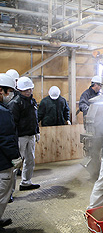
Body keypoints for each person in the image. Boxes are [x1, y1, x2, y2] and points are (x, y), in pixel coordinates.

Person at [8, 77, 40, 191]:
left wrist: (37, 131)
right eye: (25, 90)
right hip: (20, 137)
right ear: (20, 90)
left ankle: (26, 182)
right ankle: (9, 190)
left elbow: (34, 118)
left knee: (30, 159)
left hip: (30, 135)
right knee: (16, 163)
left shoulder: (32, 101)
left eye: (30, 89)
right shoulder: (15, 103)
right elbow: (12, 123)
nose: (28, 91)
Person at [0, 74, 22, 231]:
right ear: (0, 90)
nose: (10, 95)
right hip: (2, 163)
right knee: (2, 195)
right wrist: (15, 158)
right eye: (9, 91)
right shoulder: (3, 112)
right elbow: (7, 139)